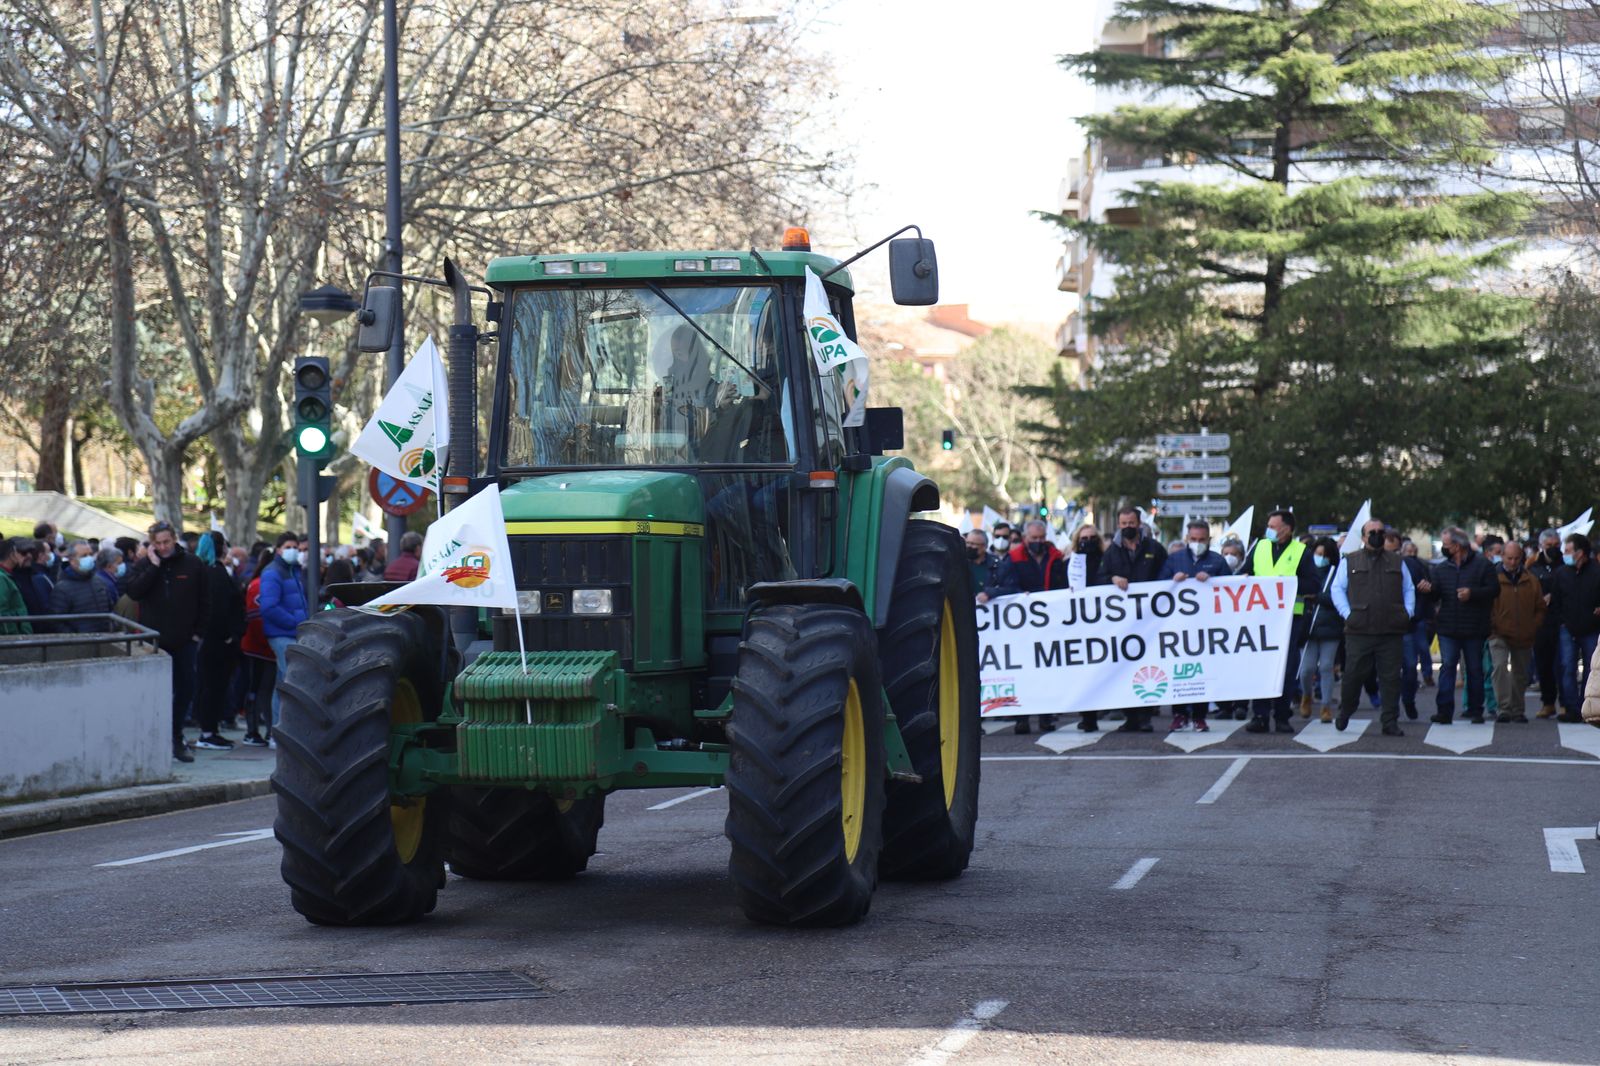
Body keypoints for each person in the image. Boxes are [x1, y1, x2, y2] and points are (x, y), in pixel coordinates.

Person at [125, 520, 211, 764]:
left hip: (185, 640)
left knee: (185, 689)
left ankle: (176, 736)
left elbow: (205, 600)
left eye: (166, 542)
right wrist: (153, 567)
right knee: (158, 692)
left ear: (174, 539)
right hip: (154, 640)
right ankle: (157, 737)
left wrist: (198, 633)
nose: (163, 547)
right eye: (158, 543)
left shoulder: (193, 564)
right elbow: (133, 592)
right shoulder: (144, 565)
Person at [1330, 518, 1415, 736]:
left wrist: (1408, 612)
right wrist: (1348, 614)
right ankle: (1345, 711)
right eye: (1372, 532)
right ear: (1363, 537)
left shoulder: (1397, 561)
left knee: (1391, 678)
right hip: (1360, 630)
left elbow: (1409, 588)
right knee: (1353, 676)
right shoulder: (1350, 561)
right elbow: (1337, 589)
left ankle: (1390, 721)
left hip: (1390, 630)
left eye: (1380, 532)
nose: (1377, 535)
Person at [1242, 509, 1320, 734]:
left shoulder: (1301, 552)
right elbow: (1245, 573)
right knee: (1261, 667)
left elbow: (1312, 584)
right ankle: (1260, 715)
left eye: (1273, 526)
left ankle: (1282, 716)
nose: (1270, 530)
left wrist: (1287, 584)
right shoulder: (1260, 547)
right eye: (1269, 526)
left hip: (1289, 619)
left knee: (1286, 669)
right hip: (1261, 617)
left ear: (1287, 529)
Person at [993, 519, 1067, 734]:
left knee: (1046, 671)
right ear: (1026, 539)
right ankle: (1021, 718)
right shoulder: (1014, 559)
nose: (1038, 542)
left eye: (1041, 538)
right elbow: (1007, 586)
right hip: (1022, 625)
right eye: (1034, 538)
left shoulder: (1056, 557)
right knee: (1023, 672)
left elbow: (1062, 585)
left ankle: (1046, 717)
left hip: (1049, 624)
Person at [1100, 506, 1169, 733]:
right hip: (1123, 622)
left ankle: (1146, 716)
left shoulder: (1154, 548)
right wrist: (1112, 578)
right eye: (1124, 524)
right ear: (1118, 525)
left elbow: (1165, 576)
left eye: (1131, 523)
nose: (1128, 527)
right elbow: (1099, 578)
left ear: (1139, 524)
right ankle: (1130, 716)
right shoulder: (1111, 552)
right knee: (1126, 667)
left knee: (1148, 666)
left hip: (1150, 620)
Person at [1420, 527, 1499, 725]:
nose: (1444, 548)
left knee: (1474, 669)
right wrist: (1428, 591)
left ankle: (1475, 709)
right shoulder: (1441, 568)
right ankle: (1444, 711)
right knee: (1447, 667)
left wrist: (1472, 593)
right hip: (1448, 627)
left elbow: (1494, 590)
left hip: (1474, 627)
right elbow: (1436, 595)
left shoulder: (1482, 565)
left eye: (1446, 545)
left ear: (1457, 546)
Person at [1159, 520, 1231, 731]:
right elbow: (1158, 585)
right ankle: (1179, 714)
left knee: (1203, 671)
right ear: (1187, 539)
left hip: (1206, 627)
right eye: (1193, 539)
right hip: (1179, 627)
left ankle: (1199, 715)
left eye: (1201, 540)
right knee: (1179, 670)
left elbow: (1230, 587)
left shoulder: (1217, 561)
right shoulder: (1174, 560)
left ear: (1208, 540)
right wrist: (1172, 580)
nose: (1197, 543)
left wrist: (1213, 580)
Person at [193, 532, 246, 751]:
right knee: (213, 687)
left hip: (214, 640)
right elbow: (219, 608)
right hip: (218, 641)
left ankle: (211, 730)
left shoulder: (207, 571)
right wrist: (228, 635)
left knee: (214, 687)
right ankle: (208, 732)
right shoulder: (215, 573)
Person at [258, 531, 310, 741]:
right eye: (289, 547)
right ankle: (281, 732)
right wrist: (295, 622)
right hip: (282, 634)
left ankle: (278, 731)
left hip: (290, 633)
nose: (293, 551)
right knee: (292, 681)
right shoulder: (273, 572)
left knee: (284, 682)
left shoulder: (292, 571)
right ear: (278, 549)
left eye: (295, 547)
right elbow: (269, 607)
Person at [1488, 539, 1544, 724]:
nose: (1513, 562)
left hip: (1524, 633)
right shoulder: (1493, 578)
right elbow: (1486, 605)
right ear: (1502, 556)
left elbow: (1540, 607)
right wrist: (1493, 625)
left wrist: (1532, 625)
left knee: (1520, 673)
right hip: (1498, 632)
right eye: (1509, 558)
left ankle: (1518, 709)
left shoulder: (1531, 580)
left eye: (1516, 558)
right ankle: (1503, 708)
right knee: (1500, 668)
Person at [1549, 532, 1600, 724]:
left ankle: (1586, 706)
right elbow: (1556, 602)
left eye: (1568, 550)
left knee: (1591, 669)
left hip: (1592, 629)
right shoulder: (1562, 573)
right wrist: (1562, 622)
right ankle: (1570, 707)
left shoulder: (1597, 572)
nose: (1565, 554)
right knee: (1567, 667)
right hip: (1567, 629)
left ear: (1580, 552)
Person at [1299, 537, 1343, 723]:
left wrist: (1317, 597)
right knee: (1307, 668)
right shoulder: (1306, 571)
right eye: (1318, 554)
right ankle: (1307, 695)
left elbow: (1339, 598)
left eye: (1324, 555)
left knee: (1326, 667)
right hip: (1308, 626)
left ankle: (1326, 706)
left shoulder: (1337, 573)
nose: (1320, 558)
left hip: (1330, 627)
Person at [238, 547, 277, 747]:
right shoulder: (258, 585)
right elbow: (256, 619)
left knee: (264, 690)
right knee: (259, 689)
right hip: (259, 648)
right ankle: (252, 731)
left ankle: (262, 730)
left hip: (264, 647)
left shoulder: (261, 583)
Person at [1529, 528, 1564, 718]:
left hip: (1561, 622)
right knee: (1543, 665)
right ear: (1541, 546)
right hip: (1541, 623)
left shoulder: (1566, 567)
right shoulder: (1533, 568)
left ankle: (1566, 703)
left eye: (1556, 545)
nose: (1553, 549)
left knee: (1564, 665)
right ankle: (1548, 702)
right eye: (1549, 546)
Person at [47, 540, 115, 632]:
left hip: (104, 639)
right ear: (72, 560)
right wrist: (76, 638)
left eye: (90, 554)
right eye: (84, 556)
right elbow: (56, 621)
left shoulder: (99, 582)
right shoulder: (62, 588)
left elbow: (110, 609)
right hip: (81, 643)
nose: (89, 558)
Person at [0, 538, 33, 634]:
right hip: (13, 642)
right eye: (23, 553)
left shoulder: (8, 575)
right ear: (12, 555)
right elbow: (3, 614)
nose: (28, 556)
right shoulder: (1, 578)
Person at [966, 530, 1001, 603]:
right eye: (968, 543)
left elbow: (1011, 588)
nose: (969, 546)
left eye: (973, 544)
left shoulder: (997, 564)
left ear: (985, 546)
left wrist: (989, 593)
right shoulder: (960, 563)